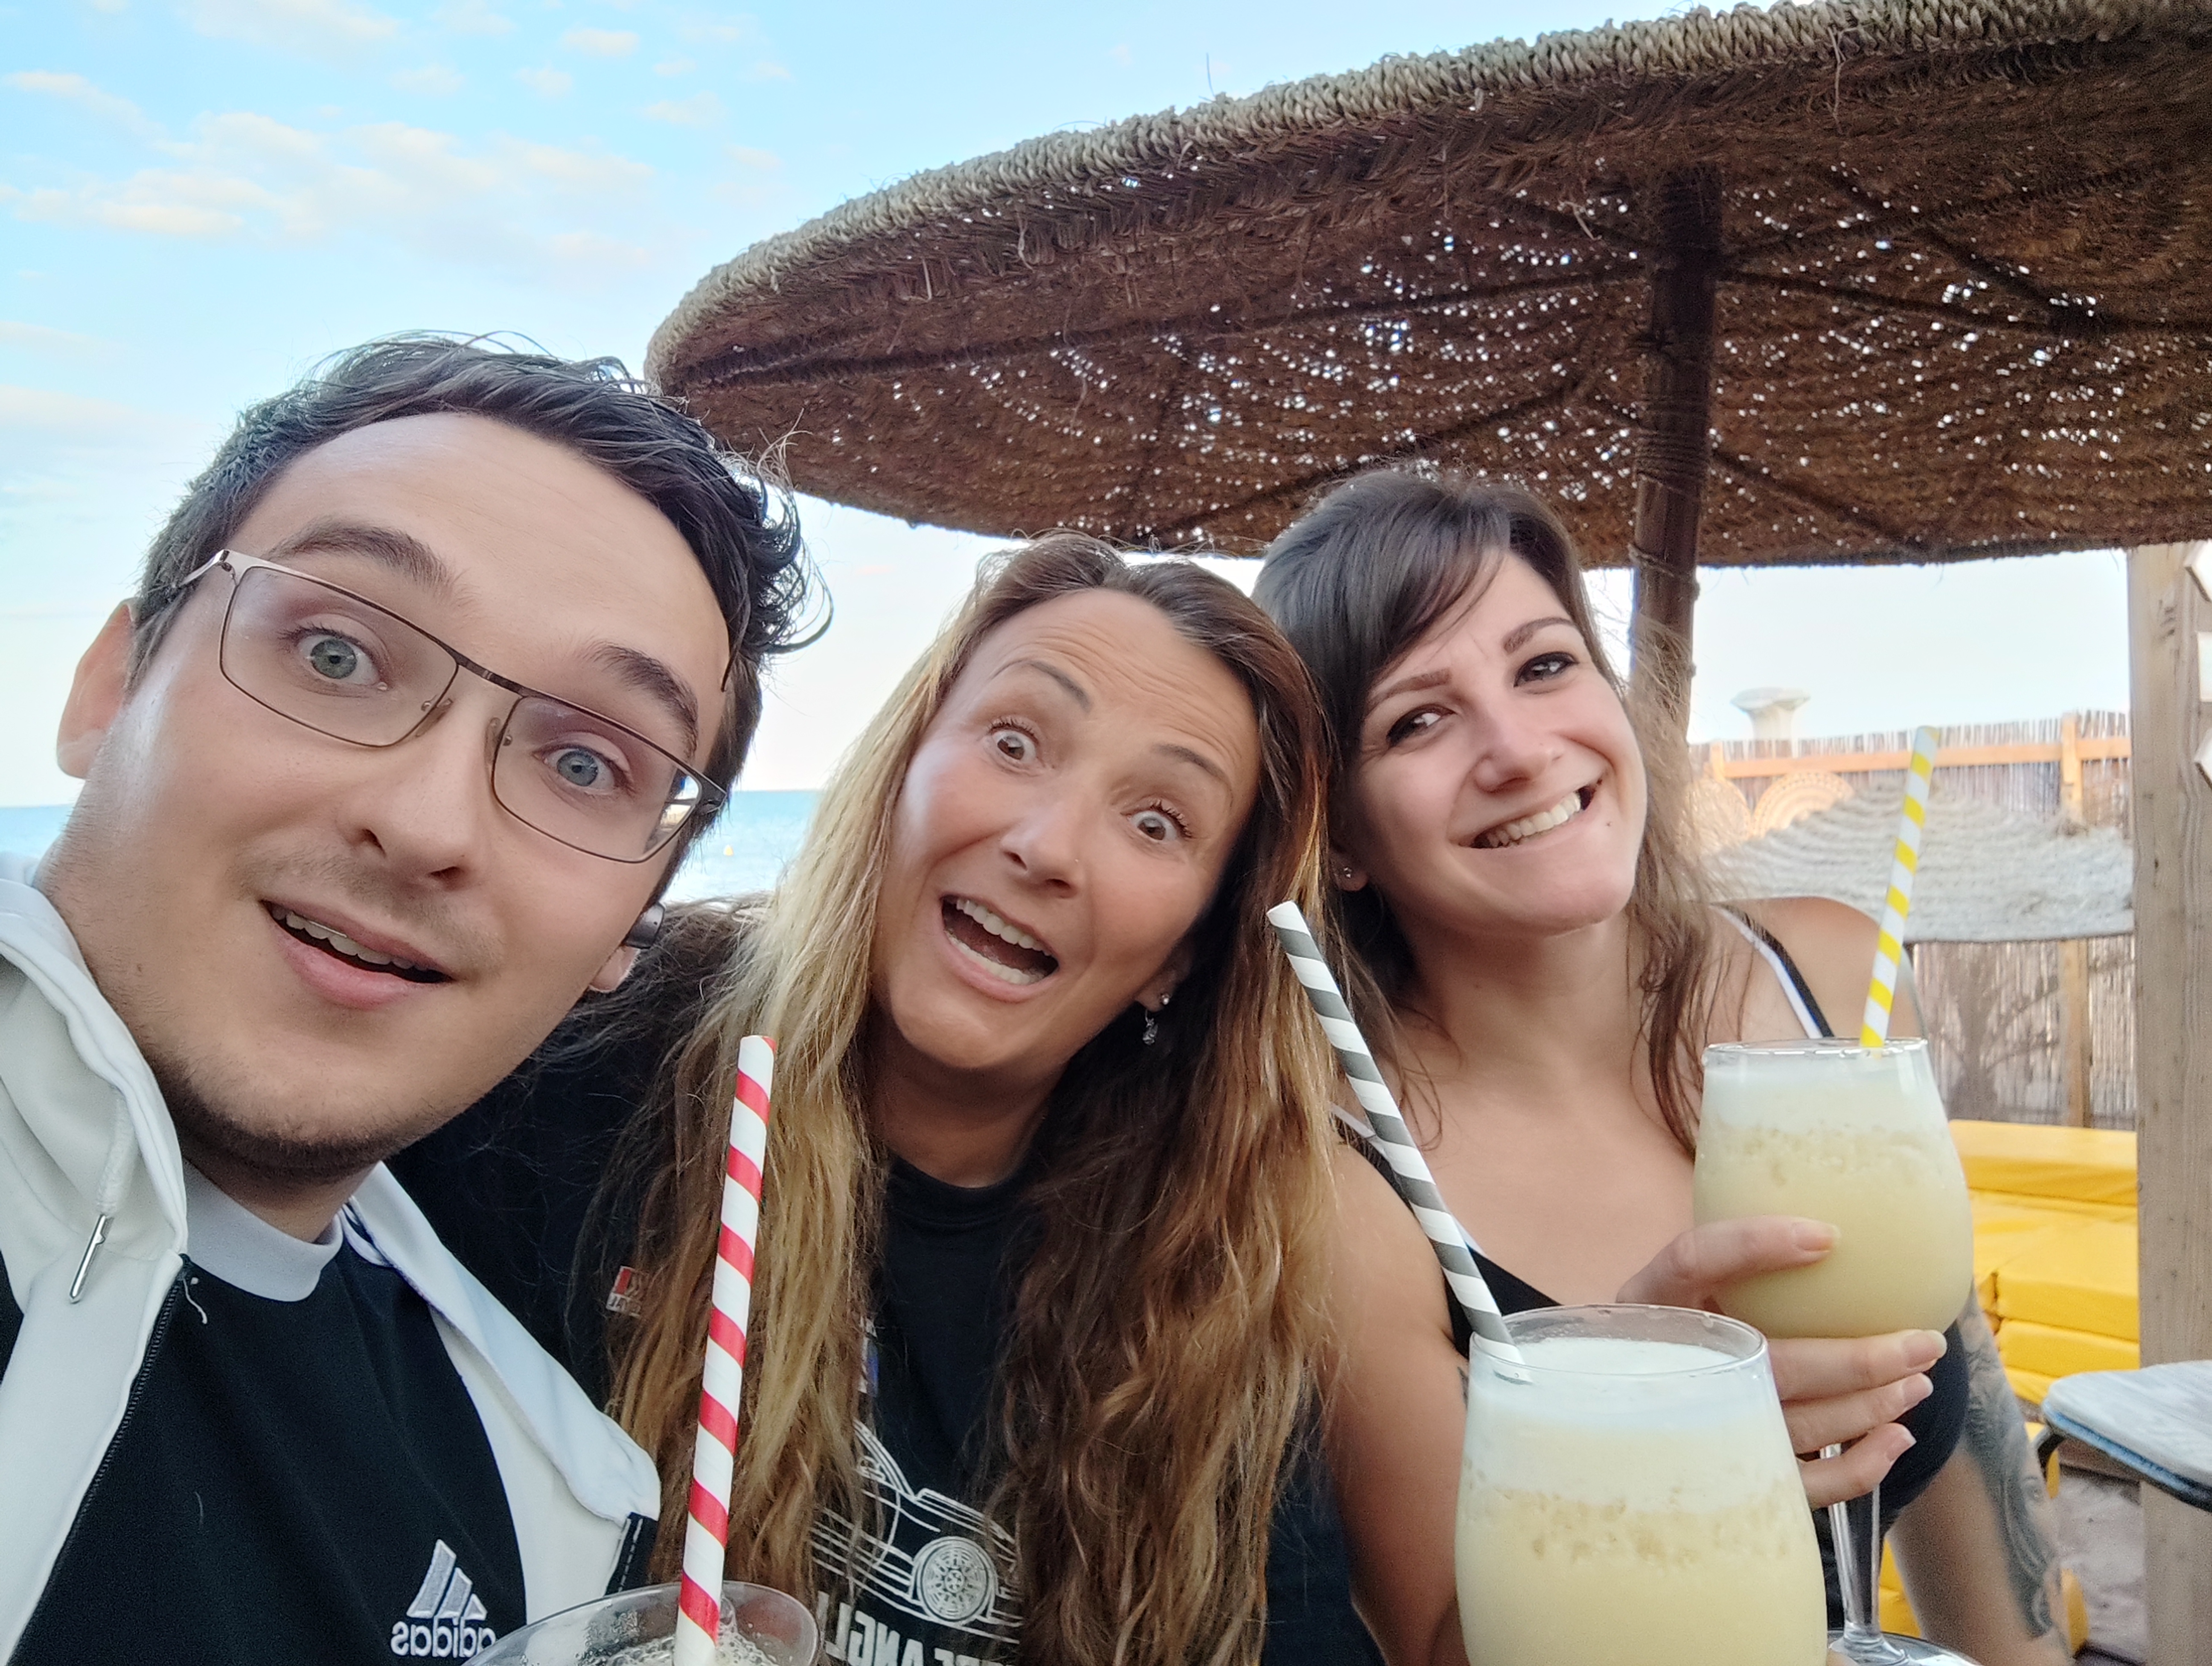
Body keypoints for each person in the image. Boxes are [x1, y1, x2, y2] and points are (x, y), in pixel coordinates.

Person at [403, 534, 1380, 1666]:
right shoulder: (571, 1078)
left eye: (1157, 821)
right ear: (900, 770)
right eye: (1014, 743)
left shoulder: (1206, 1290)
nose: (1047, 846)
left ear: (1185, 954)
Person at [0, 336, 811, 1665]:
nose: (429, 823)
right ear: (111, 686)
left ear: (631, 922)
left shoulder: (541, 1494)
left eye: (586, 763)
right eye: (335, 653)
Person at [1254, 470, 2070, 1666]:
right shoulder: (1342, 1173)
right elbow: (1439, 1642)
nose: (1518, 750)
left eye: (1544, 665)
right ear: (1344, 839)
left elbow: (1958, 1412)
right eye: (1417, 721)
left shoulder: (1831, 975)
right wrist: (1626, 1441)